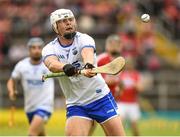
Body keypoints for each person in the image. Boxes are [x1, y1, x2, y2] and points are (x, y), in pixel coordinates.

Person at [42, 9, 125, 136]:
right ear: (55, 27)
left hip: (100, 98)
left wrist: (88, 65)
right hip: (76, 104)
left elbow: (87, 53)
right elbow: (52, 64)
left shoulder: (84, 39)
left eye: (70, 20)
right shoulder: (49, 48)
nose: (68, 23)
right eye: (63, 21)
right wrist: (65, 67)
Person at [7, 37, 54, 136]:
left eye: (39, 48)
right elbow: (12, 80)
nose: (36, 50)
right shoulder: (22, 65)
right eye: (33, 48)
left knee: (32, 134)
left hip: (45, 106)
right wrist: (12, 91)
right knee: (40, 134)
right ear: (29, 50)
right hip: (29, 107)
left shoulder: (49, 64)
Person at [117, 56, 144, 136]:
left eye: (130, 63)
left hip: (133, 103)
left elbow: (141, 88)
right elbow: (118, 90)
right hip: (122, 103)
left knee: (134, 127)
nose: (129, 65)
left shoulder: (136, 75)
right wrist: (121, 88)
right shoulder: (121, 74)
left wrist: (134, 84)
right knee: (120, 125)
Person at [97, 34, 122, 99]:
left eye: (117, 45)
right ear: (107, 45)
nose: (115, 47)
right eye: (112, 44)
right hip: (100, 96)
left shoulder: (120, 61)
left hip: (113, 96)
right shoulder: (100, 59)